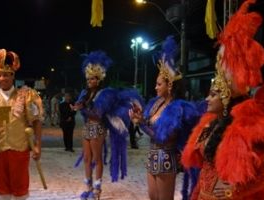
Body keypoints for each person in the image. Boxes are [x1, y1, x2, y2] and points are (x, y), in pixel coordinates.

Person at [181, 1, 264, 199]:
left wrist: (232, 192)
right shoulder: (210, 123)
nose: (207, 99)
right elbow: (205, 169)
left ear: (226, 96)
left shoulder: (243, 127)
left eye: (214, 93)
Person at [129, 36, 201, 200]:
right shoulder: (156, 104)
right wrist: (139, 118)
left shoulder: (177, 108)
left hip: (166, 159)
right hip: (153, 157)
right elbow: (150, 125)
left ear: (169, 85)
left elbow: (165, 138)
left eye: (158, 84)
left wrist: (142, 124)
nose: (155, 87)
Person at [0, 49, 43, 200]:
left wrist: (37, 145)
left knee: (20, 190)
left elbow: (36, 120)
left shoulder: (27, 95)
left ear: (12, 75)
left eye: (5, 74)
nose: (2, 78)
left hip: (20, 149)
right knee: (2, 190)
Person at [71, 50, 143, 200]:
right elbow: (83, 111)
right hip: (87, 128)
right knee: (86, 159)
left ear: (99, 79)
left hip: (98, 127)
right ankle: (88, 187)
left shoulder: (105, 94)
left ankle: (97, 189)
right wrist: (79, 106)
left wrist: (82, 108)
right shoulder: (85, 94)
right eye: (88, 78)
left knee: (97, 159)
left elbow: (98, 114)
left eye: (93, 79)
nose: (89, 81)